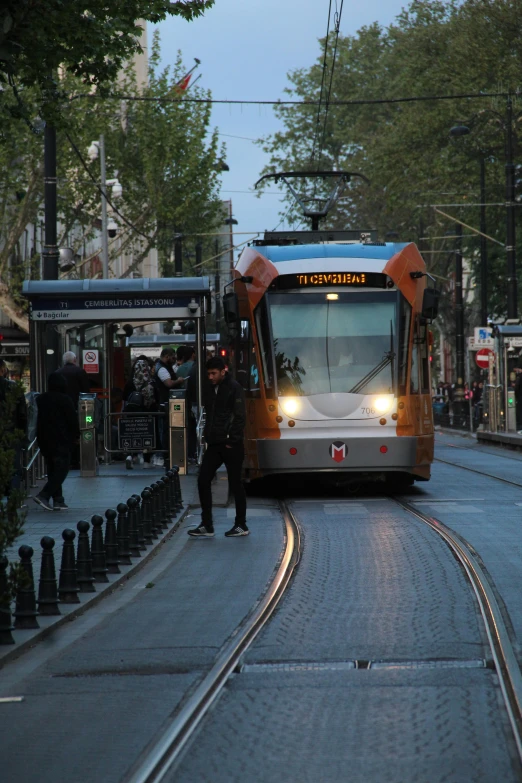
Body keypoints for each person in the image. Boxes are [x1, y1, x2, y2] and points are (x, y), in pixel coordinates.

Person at [188, 356, 249, 538]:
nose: (211, 377)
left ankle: (241, 524)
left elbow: (240, 417)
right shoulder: (209, 388)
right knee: (203, 479)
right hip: (214, 443)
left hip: (231, 444)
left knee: (236, 484)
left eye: (214, 373)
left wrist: (231, 439)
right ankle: (207, 524)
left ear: (224, 371)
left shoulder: (234, 388)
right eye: (208, 374)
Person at [34, 371, 80, 511]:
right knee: (62, 469)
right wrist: (76, 436)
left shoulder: (41, 399)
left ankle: (58, 500)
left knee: (52, 468)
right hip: (61, 439)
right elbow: (72, 420)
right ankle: (44, 495)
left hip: (44, 439)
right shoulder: (65, 399)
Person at [122, 356, 157, 469]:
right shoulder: (151, 383)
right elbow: (155, 399)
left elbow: (125, 398)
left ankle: (130, 456)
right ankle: (147, 461)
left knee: (132, 436)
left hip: (132, 414)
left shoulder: (130, 383)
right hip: (147, 415)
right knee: (147, 437)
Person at [0, 358, 28, 495]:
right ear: (2, 370)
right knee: (14, 469)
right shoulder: (13, 388)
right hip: (11, 434)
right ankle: (13, 500)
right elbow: (22, 415)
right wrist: (23, 435)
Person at [153, 347, 184, 467]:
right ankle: (164, 455)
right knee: (165, 430)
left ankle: (168, 454)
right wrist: (179, 381)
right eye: (172, 357)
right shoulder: (162, 369)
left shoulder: (164, 367)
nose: (174, 359)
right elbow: (169, 383)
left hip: (168, 402)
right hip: (165, 403)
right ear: (166, 356)